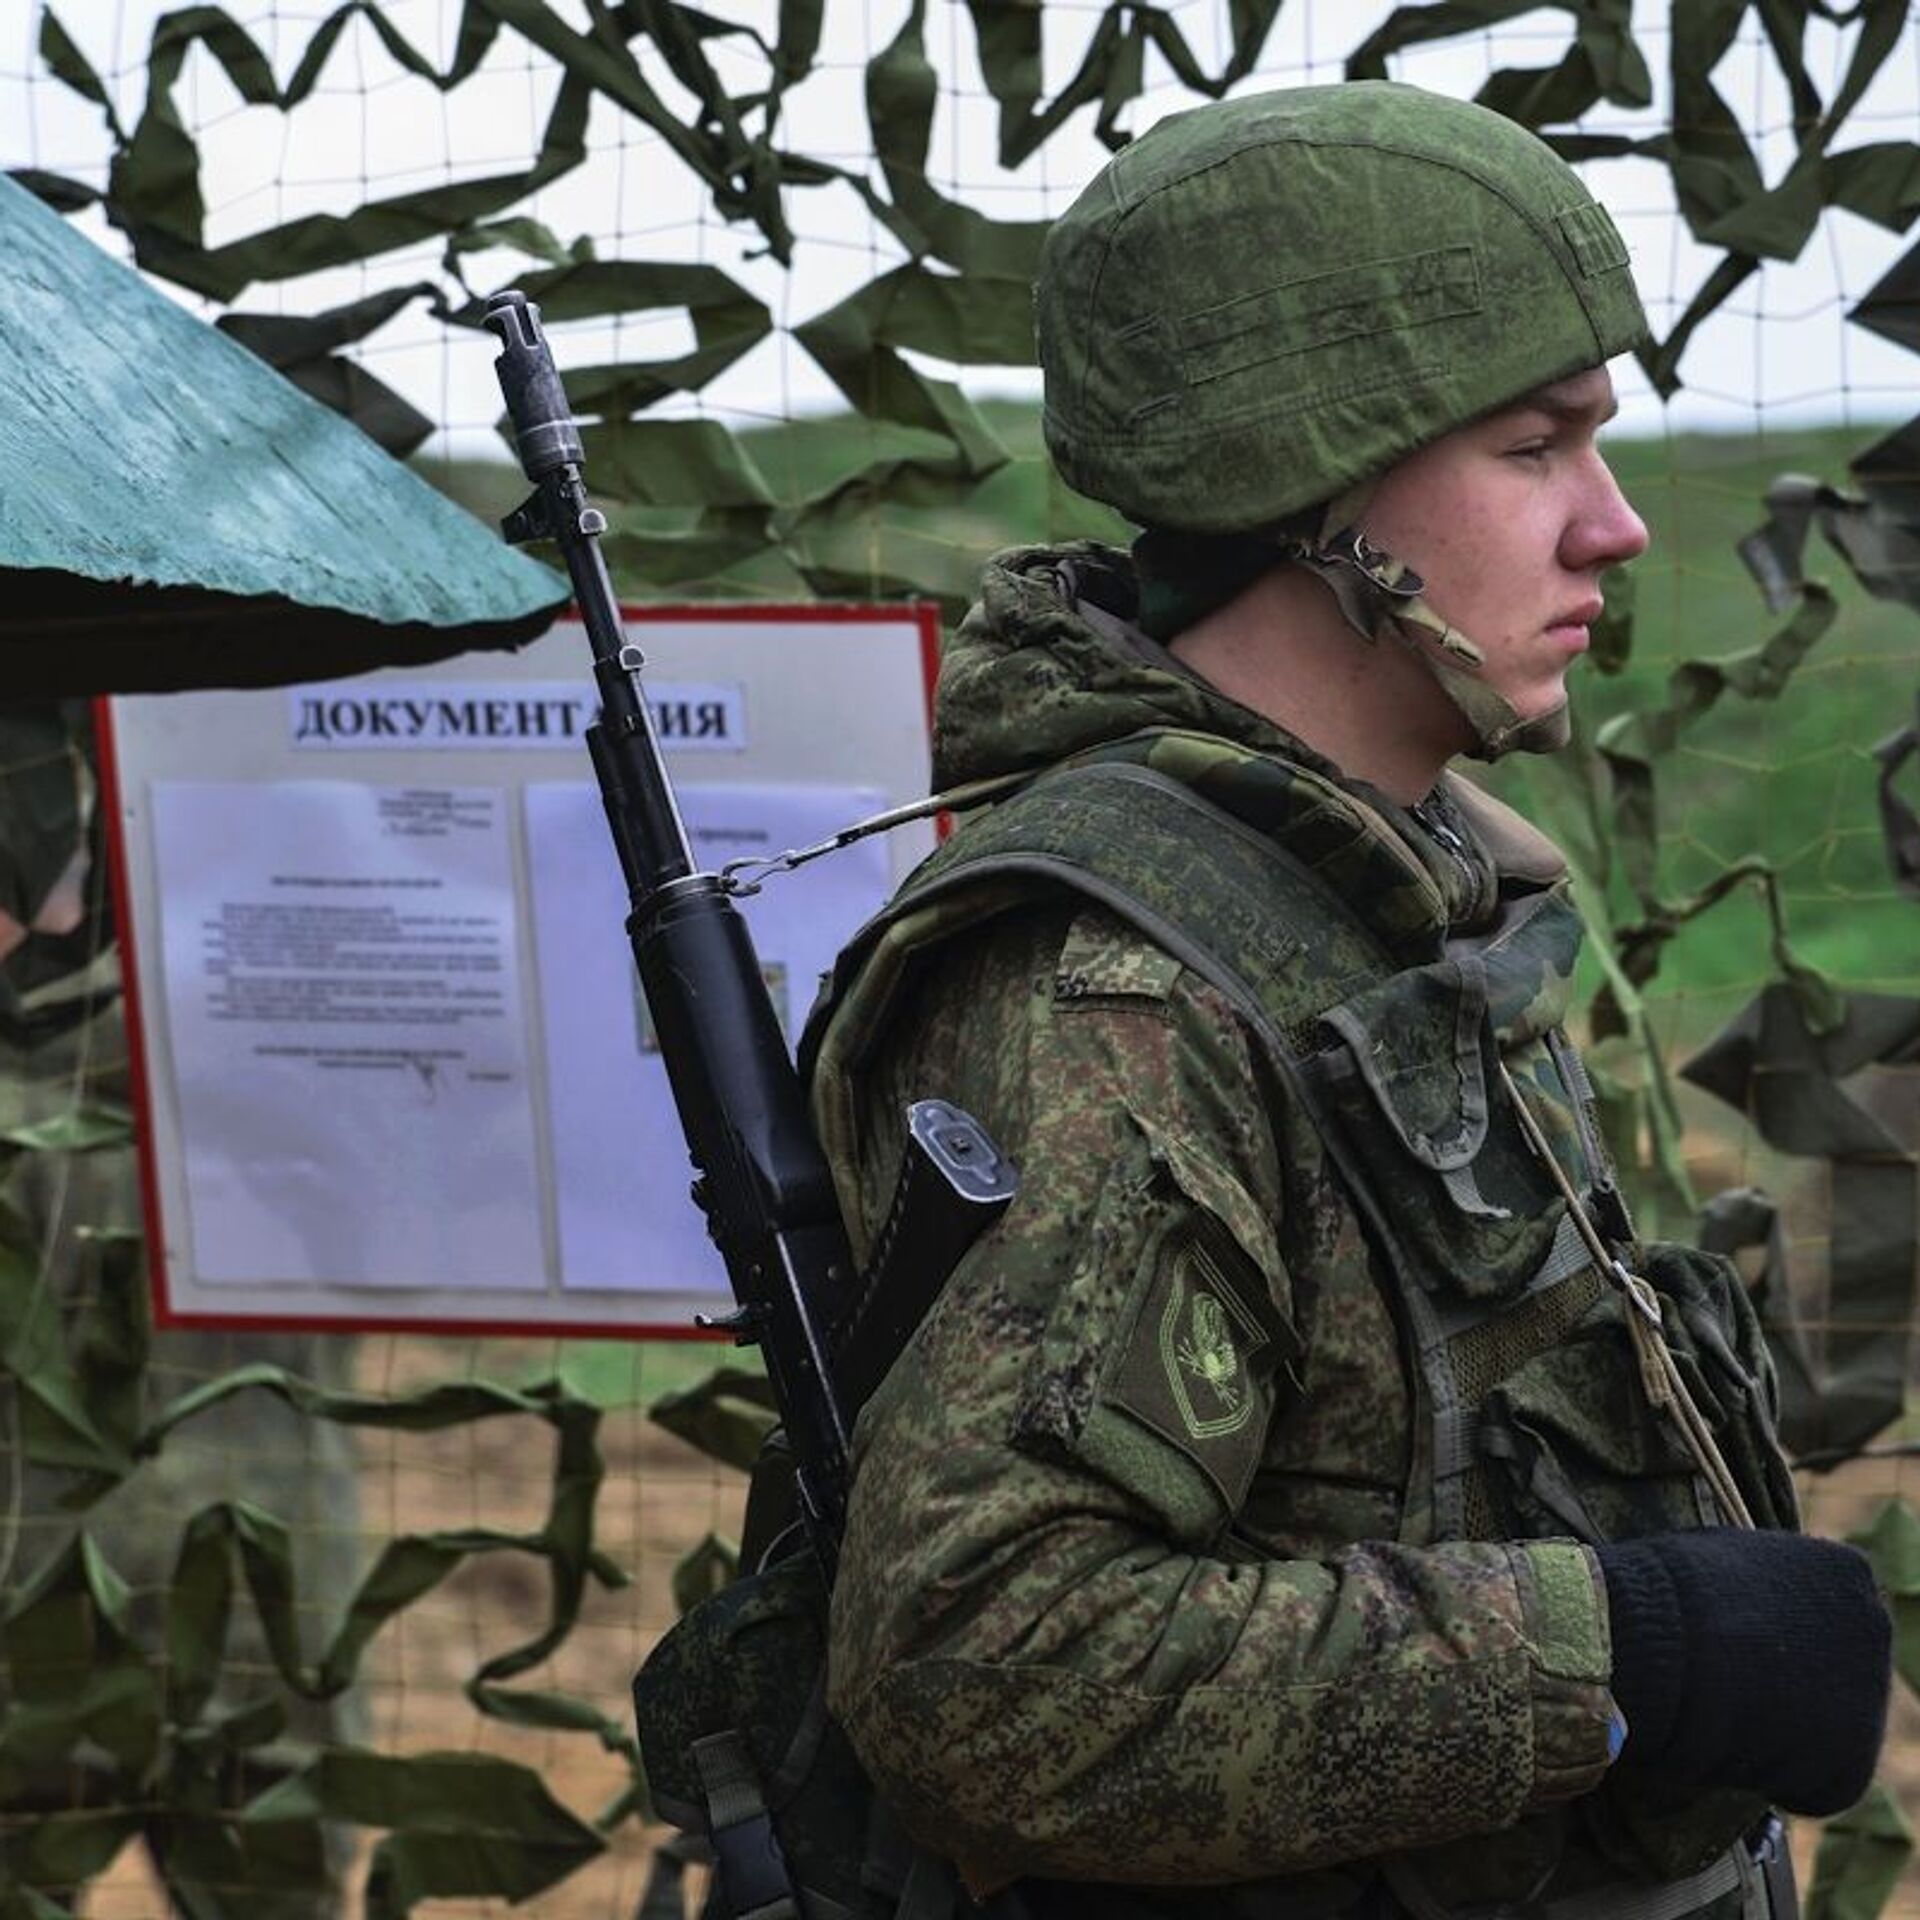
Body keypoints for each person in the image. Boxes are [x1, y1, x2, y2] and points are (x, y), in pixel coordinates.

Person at [801, 80, 1892, 1920]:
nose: (1616, 527)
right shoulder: (1123, 990)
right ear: (1315, 493)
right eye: (1539, 448)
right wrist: (1631, 1652)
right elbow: (986, 1665)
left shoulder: (1390, 897)